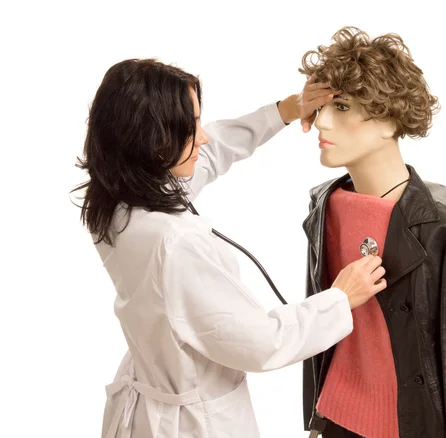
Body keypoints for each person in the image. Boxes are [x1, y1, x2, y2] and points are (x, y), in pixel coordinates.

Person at [72, 58, 389, 438]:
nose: (203, 137)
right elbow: (262, 342)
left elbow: (214, 149)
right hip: (192, 425)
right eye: (190, 128)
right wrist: (340, 297)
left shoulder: (116, 198)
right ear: (153, 141)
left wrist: (287, 110)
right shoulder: (174, 244)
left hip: (150, 403)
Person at [299, 27, 446, 438]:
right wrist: (318, 417)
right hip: (336, 421)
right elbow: (321, 323)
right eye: (322, 106)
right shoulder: (324, 208)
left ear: (388, 121)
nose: (321, 120)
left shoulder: (440, 225)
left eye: (341, 107)